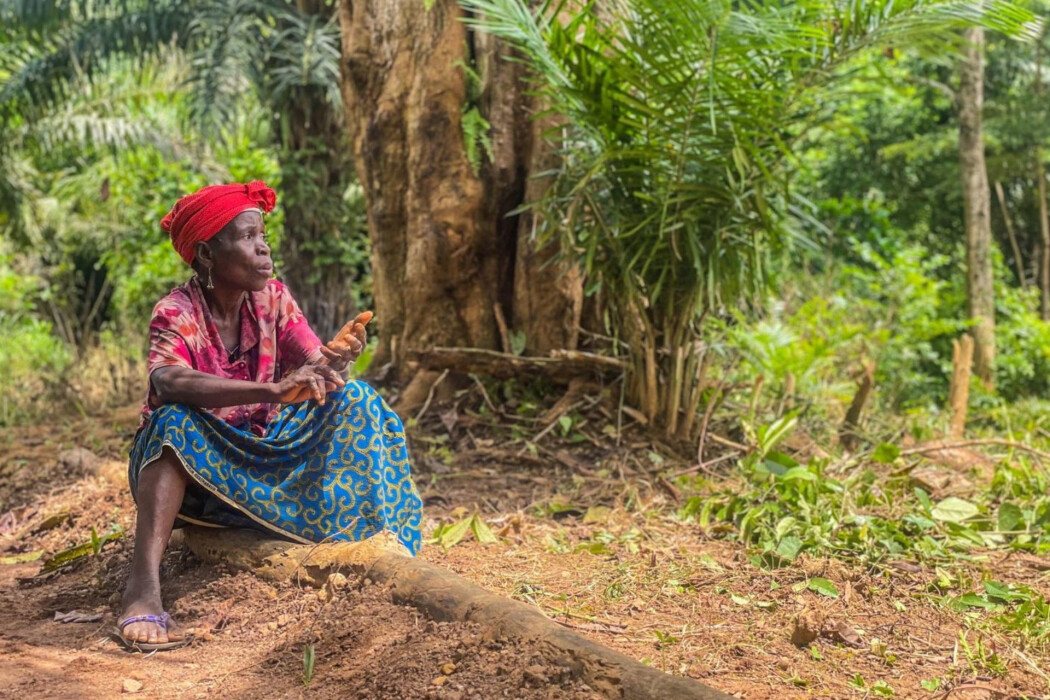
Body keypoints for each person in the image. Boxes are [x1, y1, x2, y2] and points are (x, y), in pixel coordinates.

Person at [117, 181, 422, 651]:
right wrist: (270, 389)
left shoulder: (274, 300)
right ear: (204, 254)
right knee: (172, 423)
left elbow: (313, 371)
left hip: (259, 456)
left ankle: (378, 533)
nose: (263, 247)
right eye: (246, 237)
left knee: (356, 398)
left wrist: (337, 359)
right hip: (195, 477)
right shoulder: (175, 311)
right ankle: (142, 589)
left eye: (263, 236)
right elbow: (167, 382)